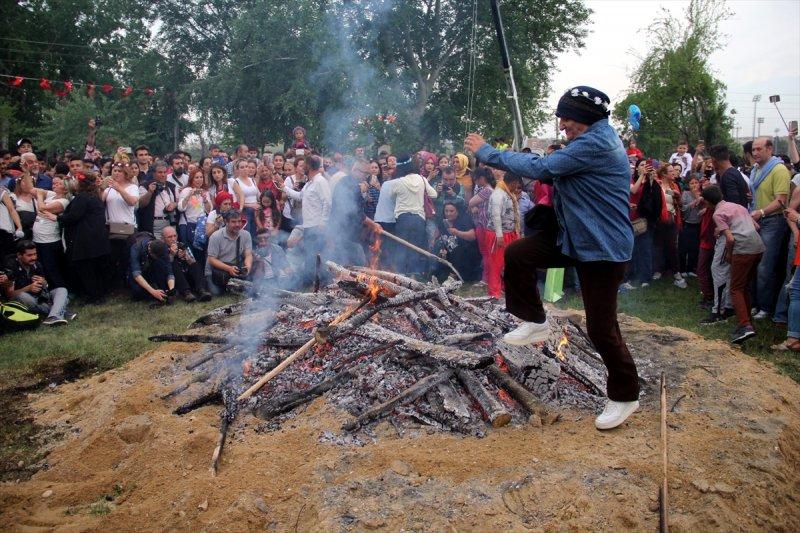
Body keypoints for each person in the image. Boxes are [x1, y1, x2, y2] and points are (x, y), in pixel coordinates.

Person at [465, 85, 640, 431]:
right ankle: (534, 320)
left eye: (567, 120)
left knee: (602, 328)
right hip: (575, 239)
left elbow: (543, 168)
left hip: (602, 249)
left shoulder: (596, 143)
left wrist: (487, 152)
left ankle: (625, 395)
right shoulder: (590, 138)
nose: (563, 127)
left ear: (586, 117)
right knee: (518, 253)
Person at [702, 185, 765, 343]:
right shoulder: (738, 206)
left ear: (707, 202)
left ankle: (745, 326)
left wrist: (730, 254)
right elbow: (756, 226)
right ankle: (747, 321)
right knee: (744, 286)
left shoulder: (717, 213)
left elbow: (730, 239)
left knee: (735, 289)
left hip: (742, 249)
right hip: (757, 247)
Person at [749, 137, 791, 319]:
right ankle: (756, 303)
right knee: (754, 263)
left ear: (769, 149)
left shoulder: (779, 169)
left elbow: (781, 201)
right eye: (753, 150)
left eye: (759, 149)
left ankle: (765, 307)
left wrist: (760, 212)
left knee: (766, 266)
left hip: (772, 221)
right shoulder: (755, 169)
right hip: (756, 219)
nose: (755, 153)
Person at [56, 173, 110, 302]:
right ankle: (98, 293)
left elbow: (74, 216)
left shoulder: (82, 198)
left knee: (87, 269)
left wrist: (58, 217)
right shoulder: (94, 196)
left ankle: (94, 295)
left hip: (86, 239)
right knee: (94, 269)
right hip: (96, 238)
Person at [283, 155, 330, 282]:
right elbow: (299, 196)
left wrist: (323, 222)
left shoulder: (320, 181)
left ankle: (319, 280)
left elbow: (327, 202)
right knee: (310, 254)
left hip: (316, 226)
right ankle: (310, 280)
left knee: (316, 255)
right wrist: (284, 187)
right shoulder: (309, 183)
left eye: (304, 165)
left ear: (309, 166)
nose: (302, 167)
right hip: (308, 225)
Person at [390, 155, 438, 276]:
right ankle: (414, 276)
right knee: (415, 247)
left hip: (403, 218)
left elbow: (391, 196)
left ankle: (400, 275)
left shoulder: (399, 181)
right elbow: (434, 194)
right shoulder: (422, 179)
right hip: (418, 219)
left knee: (401, 247)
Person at [6, 240, 73, 326]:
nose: (33, 257)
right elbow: (10, 295)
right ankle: (61, 311)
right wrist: (28, 288)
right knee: (23, 296)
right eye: (29, 255)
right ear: (19, 255)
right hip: (24, 299)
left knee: (61, 290)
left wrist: (44, 282)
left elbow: (45, 288)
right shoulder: (11, 267)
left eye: (35, 254)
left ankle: (53, 316)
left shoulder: (36, 264)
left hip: (41, 297)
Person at [103, 162, 140, 287]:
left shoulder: (132, 187)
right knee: (112, 258)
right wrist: (100, 187)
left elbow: (132, 202)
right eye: (114, 171)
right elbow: (100, 201)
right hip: (112, 228)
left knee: (128, 257)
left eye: (119, 171)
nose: (116, 173)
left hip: (127, 228)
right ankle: (114, 284)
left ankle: (129, 283)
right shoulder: (108, 189)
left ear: (125, 173)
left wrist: (119, 188)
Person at [485, 173, 522, 297]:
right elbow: (496, 216)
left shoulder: (507, 193)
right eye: (517, 184)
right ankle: (494, 293)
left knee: (510, 262)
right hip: (498, 235)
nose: (517, 187)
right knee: (496, 264)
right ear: (514, 182)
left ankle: (506, 286)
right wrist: (499, 235)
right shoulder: (498, 194)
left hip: (510, 233)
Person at [32, 176, 70, 290]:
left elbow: (42, 207)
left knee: (52, 268)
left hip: (49, 240)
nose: (55, 184)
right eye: (54, 183)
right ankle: (48, 290)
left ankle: (60, 289)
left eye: (59, 184)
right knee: (42, 267)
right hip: (38, 238)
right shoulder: (51, 195)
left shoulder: (63, 201)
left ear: (66, 189)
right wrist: (27, 171)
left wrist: (39, 195)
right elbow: (30, 189)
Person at [205, 209, 253, 295]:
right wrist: (229, 268)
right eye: (233, 222)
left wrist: (247, 267)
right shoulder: (215, 236)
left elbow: (248, 255)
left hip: (235, 269)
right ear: (226, 222)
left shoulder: (246, 235)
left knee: (246, 290)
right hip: (216, 271)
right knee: (217, 293)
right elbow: (212, 259)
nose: (237, 224)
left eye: (239, 221)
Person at [432, 201, 481, 282]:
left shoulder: (464, 220)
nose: (448, 214)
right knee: (437, 252)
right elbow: (437, 234)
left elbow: (472, 236)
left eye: (451, 211)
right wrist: (438, 245)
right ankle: (435, 274)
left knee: (460, 251)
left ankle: (454, 276)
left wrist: (457, 232)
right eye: (446, 211)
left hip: (467, 256)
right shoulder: (443, 222)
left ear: (457, 211)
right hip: (450, 254)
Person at [161, 226, 211, 302]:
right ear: (163, 239)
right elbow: (164, 268)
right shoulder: (161, 248)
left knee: (195, 264)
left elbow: (192, 262)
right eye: (169, 237)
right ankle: (186, 293)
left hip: (186, 275)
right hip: (171, 281)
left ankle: (201, 290)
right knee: (174, 264)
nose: (173, 239)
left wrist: (186, 256)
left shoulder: (182, 245)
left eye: (175, 236)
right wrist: (172, 255)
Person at [128, 231, 174, 304]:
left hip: (151, 268)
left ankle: (160, 291)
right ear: (149, 251)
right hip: (137, 268)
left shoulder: (163, 247)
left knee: (161, 264)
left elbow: (169, 271)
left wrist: (172, 290)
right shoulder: (136, 247)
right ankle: (154, 293)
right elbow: (136, 274)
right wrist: (153, 292)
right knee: (137, 291)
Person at [468, 167, 495, 285]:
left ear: (481, 178)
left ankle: (486, 279)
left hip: (484, 226)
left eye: (476, 179)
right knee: (487, 253)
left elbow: (471, 202)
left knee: (486, 253)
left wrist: (474, 207)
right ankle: (487, 278)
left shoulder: (487, 190)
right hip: (484, 225)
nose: (476, 182)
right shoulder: (488, 190)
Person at [138, 162, 178, 237]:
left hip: (170, 222)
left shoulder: (172, 186)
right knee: (157, 247)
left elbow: (178, 203)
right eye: (160, 172)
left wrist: (174, 205)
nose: (163, 175)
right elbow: (141, 204)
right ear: (153, 174)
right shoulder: (145, 186)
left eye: (165, 172)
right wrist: (150, 192)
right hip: (154, 224)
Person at [177, 169, 212, 245]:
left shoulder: (205, 191)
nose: (199, 179)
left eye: (201, 177)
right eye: (196, 177)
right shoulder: (186, 190)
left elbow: (209, 211)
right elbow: (180, 208)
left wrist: (205, 200)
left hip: (201, 225)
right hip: (187, 224)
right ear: (192, 179)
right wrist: (189, 195)